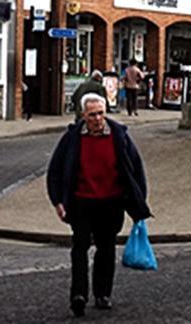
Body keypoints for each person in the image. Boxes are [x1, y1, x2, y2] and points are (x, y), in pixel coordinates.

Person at [47, 93, 151, 317]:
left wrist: (138, 201)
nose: (97, 119)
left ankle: (103, 294)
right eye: (92, 114)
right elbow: (55, 170)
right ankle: (79, 295)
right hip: (81, 202)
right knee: (79, 249)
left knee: (106, 249)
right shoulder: (72, 138)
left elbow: (135, 169)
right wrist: (57, 201)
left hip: (111, 202)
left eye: (101, 113)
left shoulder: (119, 136)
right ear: (83, 115)